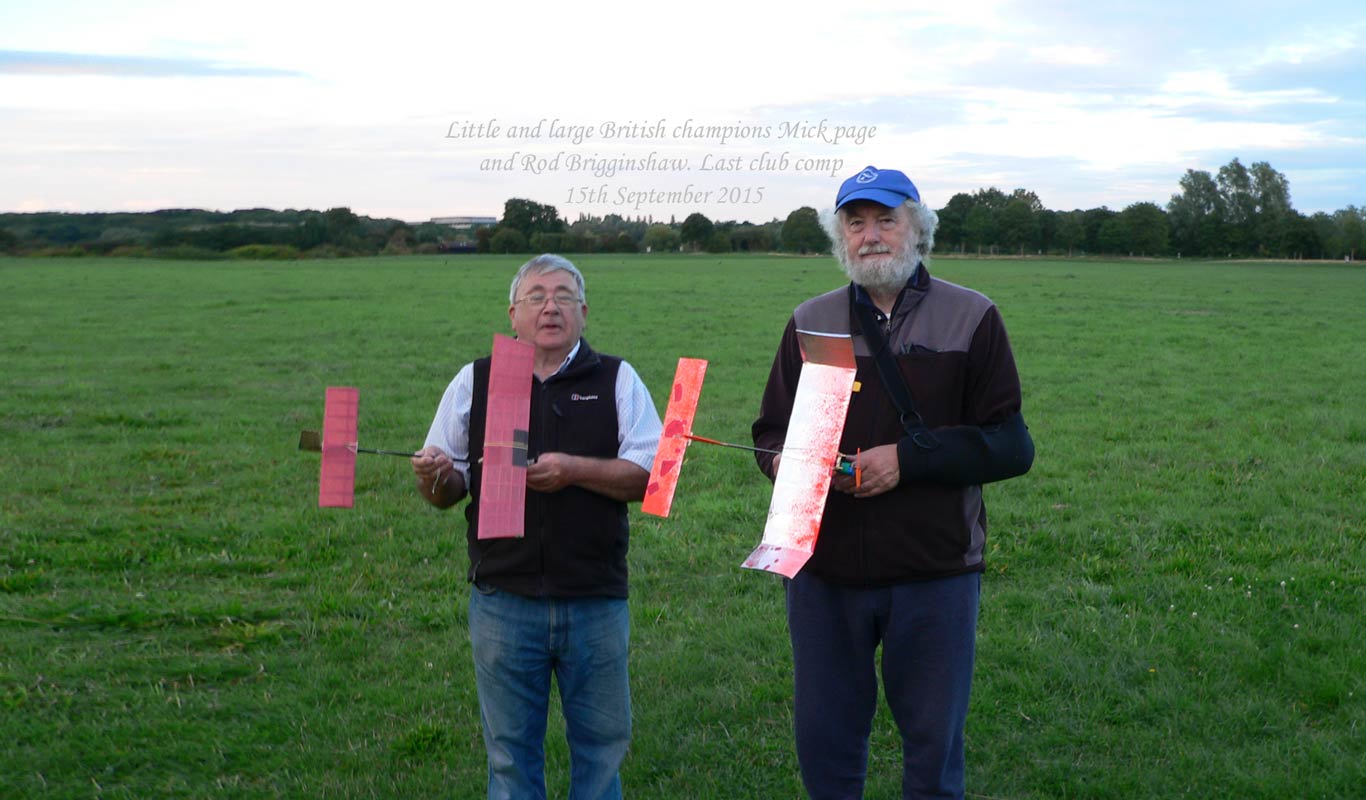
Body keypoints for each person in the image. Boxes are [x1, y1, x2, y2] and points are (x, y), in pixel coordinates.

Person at [752, 167, 1034, 799]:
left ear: (917, 228)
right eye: (855, 224)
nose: (871, 236)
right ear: (840, 239)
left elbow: (1011, 445)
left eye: (886, 220)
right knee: (826, 747)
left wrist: (906, 461)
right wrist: (793, 465)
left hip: (934, 573)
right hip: (822, 574)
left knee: (933, 751)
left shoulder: (971, 316)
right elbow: (770, 434)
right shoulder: (812, 321)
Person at [412, 254, 662, 800]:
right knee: (509, 756)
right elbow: (446, 491)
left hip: (594, 599)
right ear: (513, 314)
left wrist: (572, 470)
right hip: (504, 600)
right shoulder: (477, 380)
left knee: (601, 752)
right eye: (537, 296)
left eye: (564, 296)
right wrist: (434, 477)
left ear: (583, 312)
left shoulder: (616, 379)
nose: (551, 307)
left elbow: (651, 478)